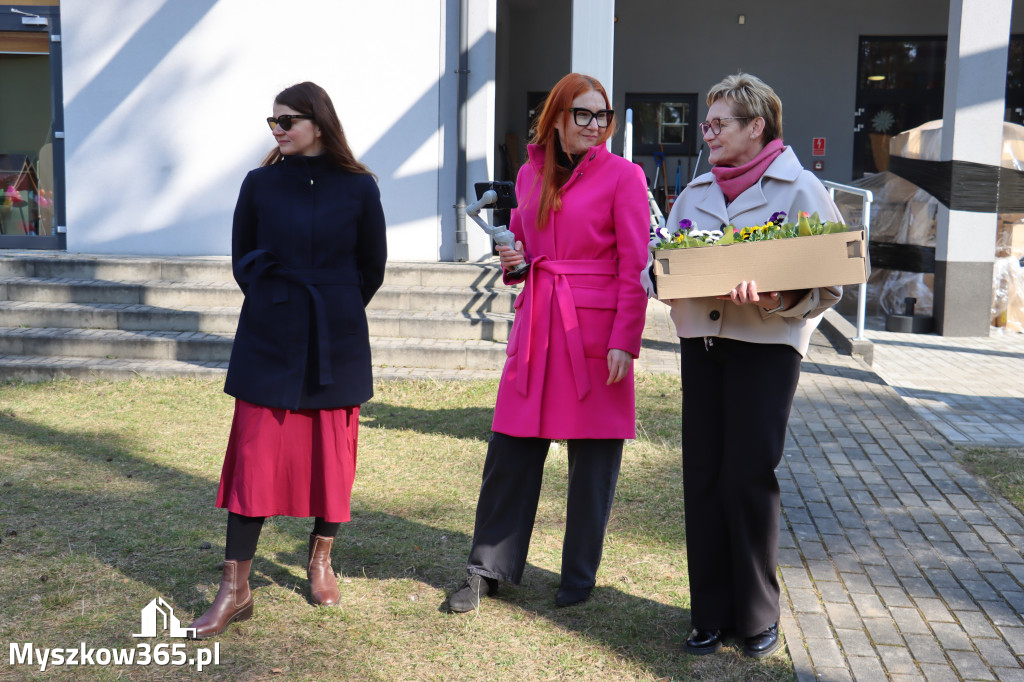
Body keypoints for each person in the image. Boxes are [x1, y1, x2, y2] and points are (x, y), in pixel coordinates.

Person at [444, 73, 650, 613]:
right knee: (510, 449)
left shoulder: (625, 177)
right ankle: (486, 567)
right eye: (582, 114)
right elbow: (525, 253)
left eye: (601, 115)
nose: (594, 125)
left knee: (594, 459)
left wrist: (625, 338)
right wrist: (516, 264)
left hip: (595, 331)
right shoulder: (529, 175)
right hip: (537, 325)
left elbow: (634, 264)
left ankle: (578, 577)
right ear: (556, 118)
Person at [189, 81, 387, 639]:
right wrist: (277, 298)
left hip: (336, 333)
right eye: (272, 122)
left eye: (287, 121)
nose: (277, 130)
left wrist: (337, 303)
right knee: (255, 453)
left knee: (331, 451)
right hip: (269, 330)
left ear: (318, 123)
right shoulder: (259, 183)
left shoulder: (359, 187)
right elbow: (241, 256)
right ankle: (236, 588)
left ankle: (321, 559)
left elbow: (371, 265)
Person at [661, 73, 842, 658]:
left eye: (719, 124)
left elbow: (830, 279)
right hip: (703, 346)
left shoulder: (801, 188)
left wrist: (777, 299)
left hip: (766, 349)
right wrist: (663, 276)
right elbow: (658, 263)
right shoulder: (694, 193)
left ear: (755, 126)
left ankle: (758, 614)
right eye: (706, 124)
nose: (707, 133)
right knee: (704, 476)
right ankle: (709, 614)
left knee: (748, 476)